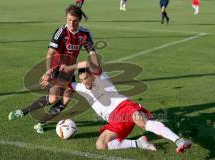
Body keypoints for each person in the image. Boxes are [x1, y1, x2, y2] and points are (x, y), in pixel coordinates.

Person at [59, 55, 192, 153]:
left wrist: (69, 67)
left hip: (124, 106)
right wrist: (48, 78)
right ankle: (139, 143)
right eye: (82, 80)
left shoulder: (101, 77)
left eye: (87, 78)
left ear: (92, 75)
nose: (85, 82)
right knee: (101, 144)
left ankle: (179, 140)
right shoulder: (82, 86)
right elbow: (65, 84)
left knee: (141, 121)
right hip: (114, 120)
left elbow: (89, 63)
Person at [8, 5, 97, 134]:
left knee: (66, 99)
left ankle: (41, 123)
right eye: (69, 20)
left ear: (80, 20)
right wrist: (48, 71)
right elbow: (50, 53)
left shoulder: (85, 34)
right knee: (53, 99)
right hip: (56, 68)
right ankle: (22, 111)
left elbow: (92, 53)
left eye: (75, 21)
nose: (71, 23)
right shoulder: (61, 32)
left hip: (70, 69)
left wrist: (93, 60)